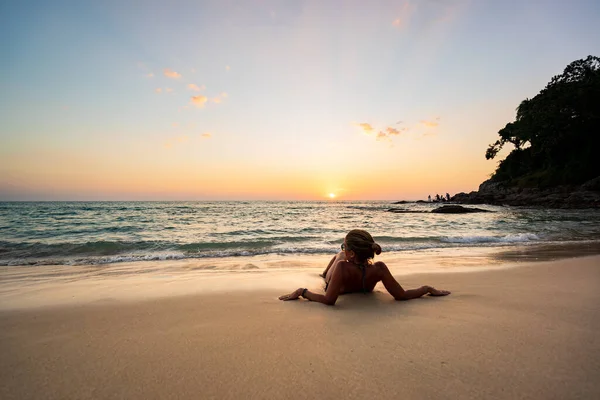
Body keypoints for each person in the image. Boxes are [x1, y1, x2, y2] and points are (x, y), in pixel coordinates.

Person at [279, 229, 450, 306]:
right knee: (338, 257)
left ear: (351, 253)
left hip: (335, 277)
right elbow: (402, 295)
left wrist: (302, 291)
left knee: (336, 260)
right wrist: (426, 288)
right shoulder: (380, 268)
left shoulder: (342, 267)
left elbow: (328, 300)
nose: (343, 249)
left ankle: (324, 274)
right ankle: (324, 272)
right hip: (354, 267)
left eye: (344, 246)